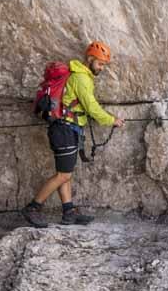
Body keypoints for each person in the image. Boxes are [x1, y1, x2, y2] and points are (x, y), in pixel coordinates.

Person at [22, 41, 124, 227]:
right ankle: (33, 207)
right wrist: (112, 120)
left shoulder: (80, 75)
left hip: (65, 129)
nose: (101, 68)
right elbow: (91, 107)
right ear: (90, 59)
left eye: (103, 65)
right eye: (100, 64)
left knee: (65, 173)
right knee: (63, 175)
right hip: (65, 129)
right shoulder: (81, 78)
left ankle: (68, 212)